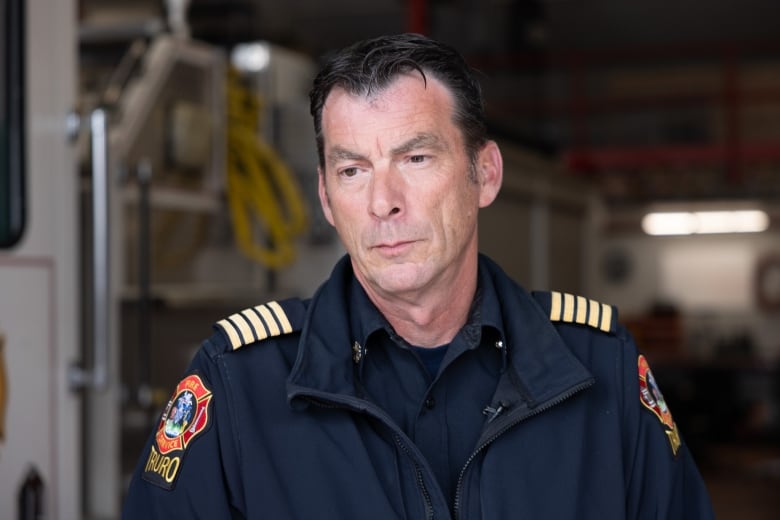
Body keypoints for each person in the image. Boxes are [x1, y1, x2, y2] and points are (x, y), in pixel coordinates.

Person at [122, 33, 714, 519]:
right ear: (328, 199)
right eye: (353, 169)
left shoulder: (599, 367)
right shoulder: (236, 384)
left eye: (416, 158)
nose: (384, 201)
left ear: (483, 174)